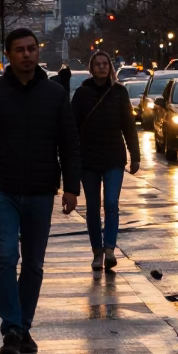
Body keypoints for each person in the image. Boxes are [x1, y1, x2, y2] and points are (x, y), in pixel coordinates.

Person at [0, 27, 82, 354]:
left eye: (31, 49)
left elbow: (69, 142)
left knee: (33, 264)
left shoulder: (55, 94)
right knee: (5, 257)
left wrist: (72, 187)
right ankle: (11, 328)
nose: (27, 54)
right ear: (8, 55)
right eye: (20, 50)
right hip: (1, 188)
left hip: (41, 189)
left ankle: (23, 325)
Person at [71, 49, 140, 271]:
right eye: (97, 64)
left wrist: (135, 155)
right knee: (92, 207)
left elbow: (128, 126)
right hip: (88, 159)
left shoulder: (119, 93)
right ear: (91, 68)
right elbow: (72, 128)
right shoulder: (82, 94)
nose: (101, 67)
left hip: (113, 158)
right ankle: (97, 252)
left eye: (105, 64)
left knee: (111, 203)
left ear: (110, 67)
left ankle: (110, 248)